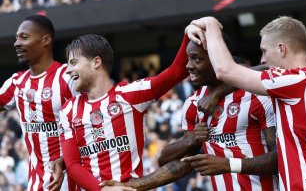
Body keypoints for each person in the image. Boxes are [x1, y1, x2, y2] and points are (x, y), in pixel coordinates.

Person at [101, 34, 278, 191]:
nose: (188, 66)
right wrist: (134, 185)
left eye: (196, 59)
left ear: (218, 59)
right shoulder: (193, 104)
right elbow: (183, 163)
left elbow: (279, 158)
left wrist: (228, 165)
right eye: (188, 59)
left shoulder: (257, 94)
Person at [185, 16, 306, 190]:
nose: (262, 60)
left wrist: (211, 24)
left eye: (264, 51)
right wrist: (219, 91)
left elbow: (225, 71)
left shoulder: (296, 81)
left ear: (281, 49)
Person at [59, 34, 189, 191]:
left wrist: (189, 35)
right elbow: (72, 165)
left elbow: (177, 71)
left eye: (73, 62)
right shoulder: (68, 110)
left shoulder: (129, 94)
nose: (67, 70)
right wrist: (102, 190)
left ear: (96, 62)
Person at [0, 15, 76, 191]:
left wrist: (64, 160)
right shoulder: (17, 83)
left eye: (24, 37)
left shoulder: (68, 77)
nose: (16, 43)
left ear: (46, 40)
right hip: (37, 184)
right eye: (16, 38)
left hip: (72, 183)